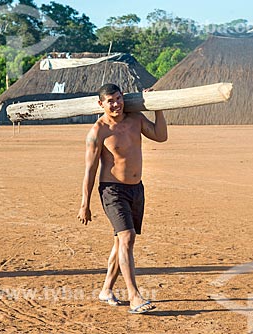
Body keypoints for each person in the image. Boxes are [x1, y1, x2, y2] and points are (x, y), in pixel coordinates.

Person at [77, 83, 167, 314]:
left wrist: (157, 108)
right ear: (101, 104)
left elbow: (160, 136)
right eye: (110, 101)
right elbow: (90, 170)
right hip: (112, 190)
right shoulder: (98, 131)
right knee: (126, 237)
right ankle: (134, 296)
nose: (116, 104)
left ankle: (106, 289)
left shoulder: (135, 119)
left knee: (122, 242)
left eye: (118, 98)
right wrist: (84, 204)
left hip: (136, 189)